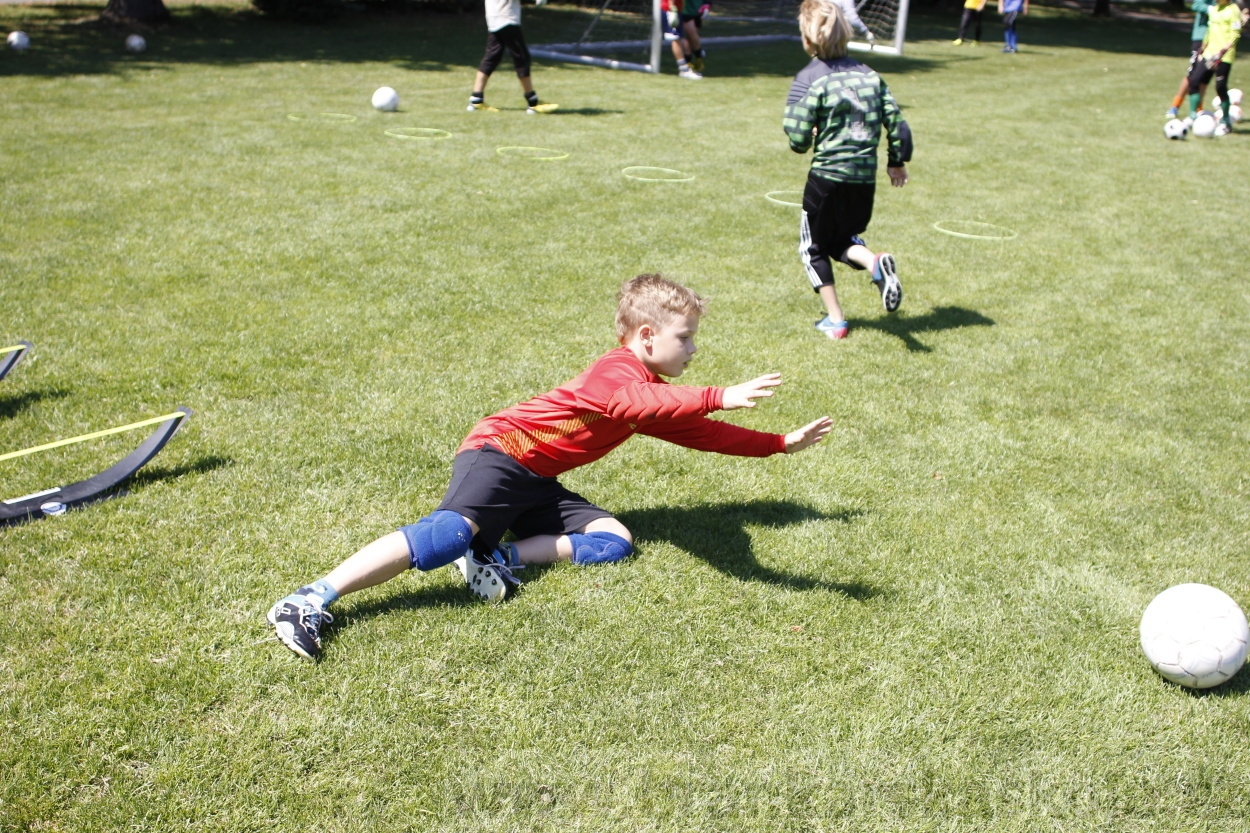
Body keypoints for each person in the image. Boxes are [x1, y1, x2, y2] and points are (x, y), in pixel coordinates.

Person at [267, 274, 834, 660]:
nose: (693, 350)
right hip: (498, 453)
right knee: (444, 533)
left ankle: (494, 556)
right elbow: (630, 406)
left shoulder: (653, 392)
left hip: (534, 477)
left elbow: (699, 434)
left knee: (613, 540)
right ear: (644, 336)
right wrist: (717, 393)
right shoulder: (618, 375)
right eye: (684, 338)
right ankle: (309, 599)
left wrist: (778, 443)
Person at [783, 0, 912, 340]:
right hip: (863, 181)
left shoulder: (809, 78)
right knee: (841, 239)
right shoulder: (870, 75)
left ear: (808, 39)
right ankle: (875, 264)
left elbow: (796, 137)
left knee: (812, 248)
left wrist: (807, 136)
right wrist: (896, 161)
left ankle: (836, 320)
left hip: (826, 178)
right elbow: (898, 125)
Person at [467, 0, 558, 114]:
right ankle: (532, 102)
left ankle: (476, 100)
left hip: (494, 17)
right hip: (506, 18)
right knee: (522, 58)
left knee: (492, 57)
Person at [1185, 0, 1247, 135]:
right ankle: (1192, 115)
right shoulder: (1214, 10)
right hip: (1209, 54)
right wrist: (1203, 47)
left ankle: (1226, 122)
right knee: (1195, 81)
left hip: (1224, 56)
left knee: (1220, 87)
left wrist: (1223, 50)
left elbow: (1236, 34)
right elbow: (1209, 30)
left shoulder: (1233, 10)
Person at [1166, 0, 1213, 119]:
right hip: (1201, 37)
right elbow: (1197, 4)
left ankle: (1198, 108)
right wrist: (1212, 10)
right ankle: (1175, 106)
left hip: (1216, 40)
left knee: (1205, 76)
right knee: (1193, 74)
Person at [663, 0, 702, 79]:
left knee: (678, 38)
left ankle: (685, 68)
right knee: (676, 38)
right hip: (670, 10)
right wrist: (672, 9)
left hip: (676, 9)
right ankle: (684, 70)